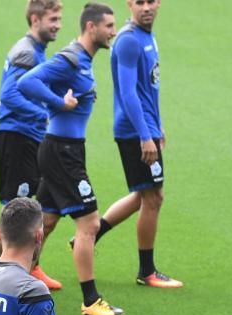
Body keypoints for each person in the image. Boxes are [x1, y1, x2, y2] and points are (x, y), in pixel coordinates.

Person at [18, 3, 124, 315]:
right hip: (62, 151)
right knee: (89, 223)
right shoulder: (70, 58)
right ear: (91, 27)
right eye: (108, 25)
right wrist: (57, 104)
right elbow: (26, 83)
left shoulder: (84, 60)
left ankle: (16, 277)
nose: (113, 31)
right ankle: (91, 300)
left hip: (65, 149)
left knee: (46, 221)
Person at [91, 0, 183, 288]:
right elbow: (129, 94)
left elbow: (147, 89)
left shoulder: (146, 36)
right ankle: (147, 271)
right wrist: (145, 135)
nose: (147, 7)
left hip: (144, 127)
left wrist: (157, 127)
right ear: (129, 4)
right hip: (134, 132)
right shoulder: (129, 41)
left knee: (143, 194)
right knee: (153, 198)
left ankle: (89, 235)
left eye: (151, 1)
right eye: (139, 2)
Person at [0, 0, 65, 291]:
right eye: (53, 18)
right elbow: (9, 95)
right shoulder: (26, 52)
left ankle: (30, 267)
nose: (58, 25)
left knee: (33, 205)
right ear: (35, 19)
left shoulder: (34, 50)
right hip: (17, 136)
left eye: (59, 19)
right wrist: (45, 112)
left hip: (28, 137)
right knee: (14, 209)